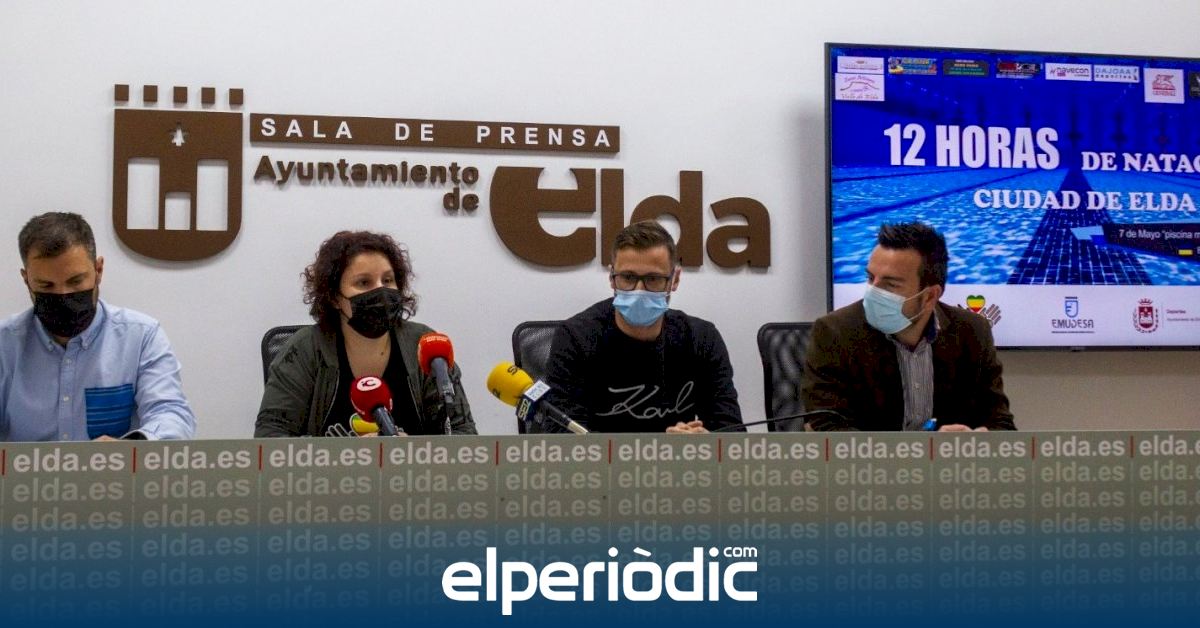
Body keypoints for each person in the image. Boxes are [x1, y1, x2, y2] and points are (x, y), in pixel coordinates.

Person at [256, 230, 476, 437]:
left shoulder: (424, 345)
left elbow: (463, 433)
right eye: (364, 282)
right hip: (330, 468)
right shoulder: (305, 349)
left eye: (388, 280)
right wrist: (350, 456)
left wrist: (410, 451)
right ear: (334, 297)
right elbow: (271, 436)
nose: (380, 290)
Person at [0, 212, 196, 441]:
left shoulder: (142, 336)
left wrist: (131, 448)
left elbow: (172, 415)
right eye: (46, 285)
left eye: (75, 281)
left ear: (98, 270)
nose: (63, 294)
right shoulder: (5, 344)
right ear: (26, 279)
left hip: (117, 465)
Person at [802, 222, 1015, 432]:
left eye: (890, 285)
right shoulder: (834, 332)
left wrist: (979, 438)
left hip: (950, 456)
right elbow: (826, 425)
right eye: (870, 278)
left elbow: (1001, 424)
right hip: (868, 457)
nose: (872, 293)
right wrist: (915, 450)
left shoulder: (973, 332)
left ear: (930, 296)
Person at [537, 220, 743, 433]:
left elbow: (733, 432)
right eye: (628, 277)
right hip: (602, 457)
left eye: (653, 278)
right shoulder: (575, 338)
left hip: (682, 456)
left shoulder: (702, 339)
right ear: (612, 278)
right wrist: (659, 447)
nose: (639, 290)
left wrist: (706, 441)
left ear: (674, 280)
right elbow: (561, 437)